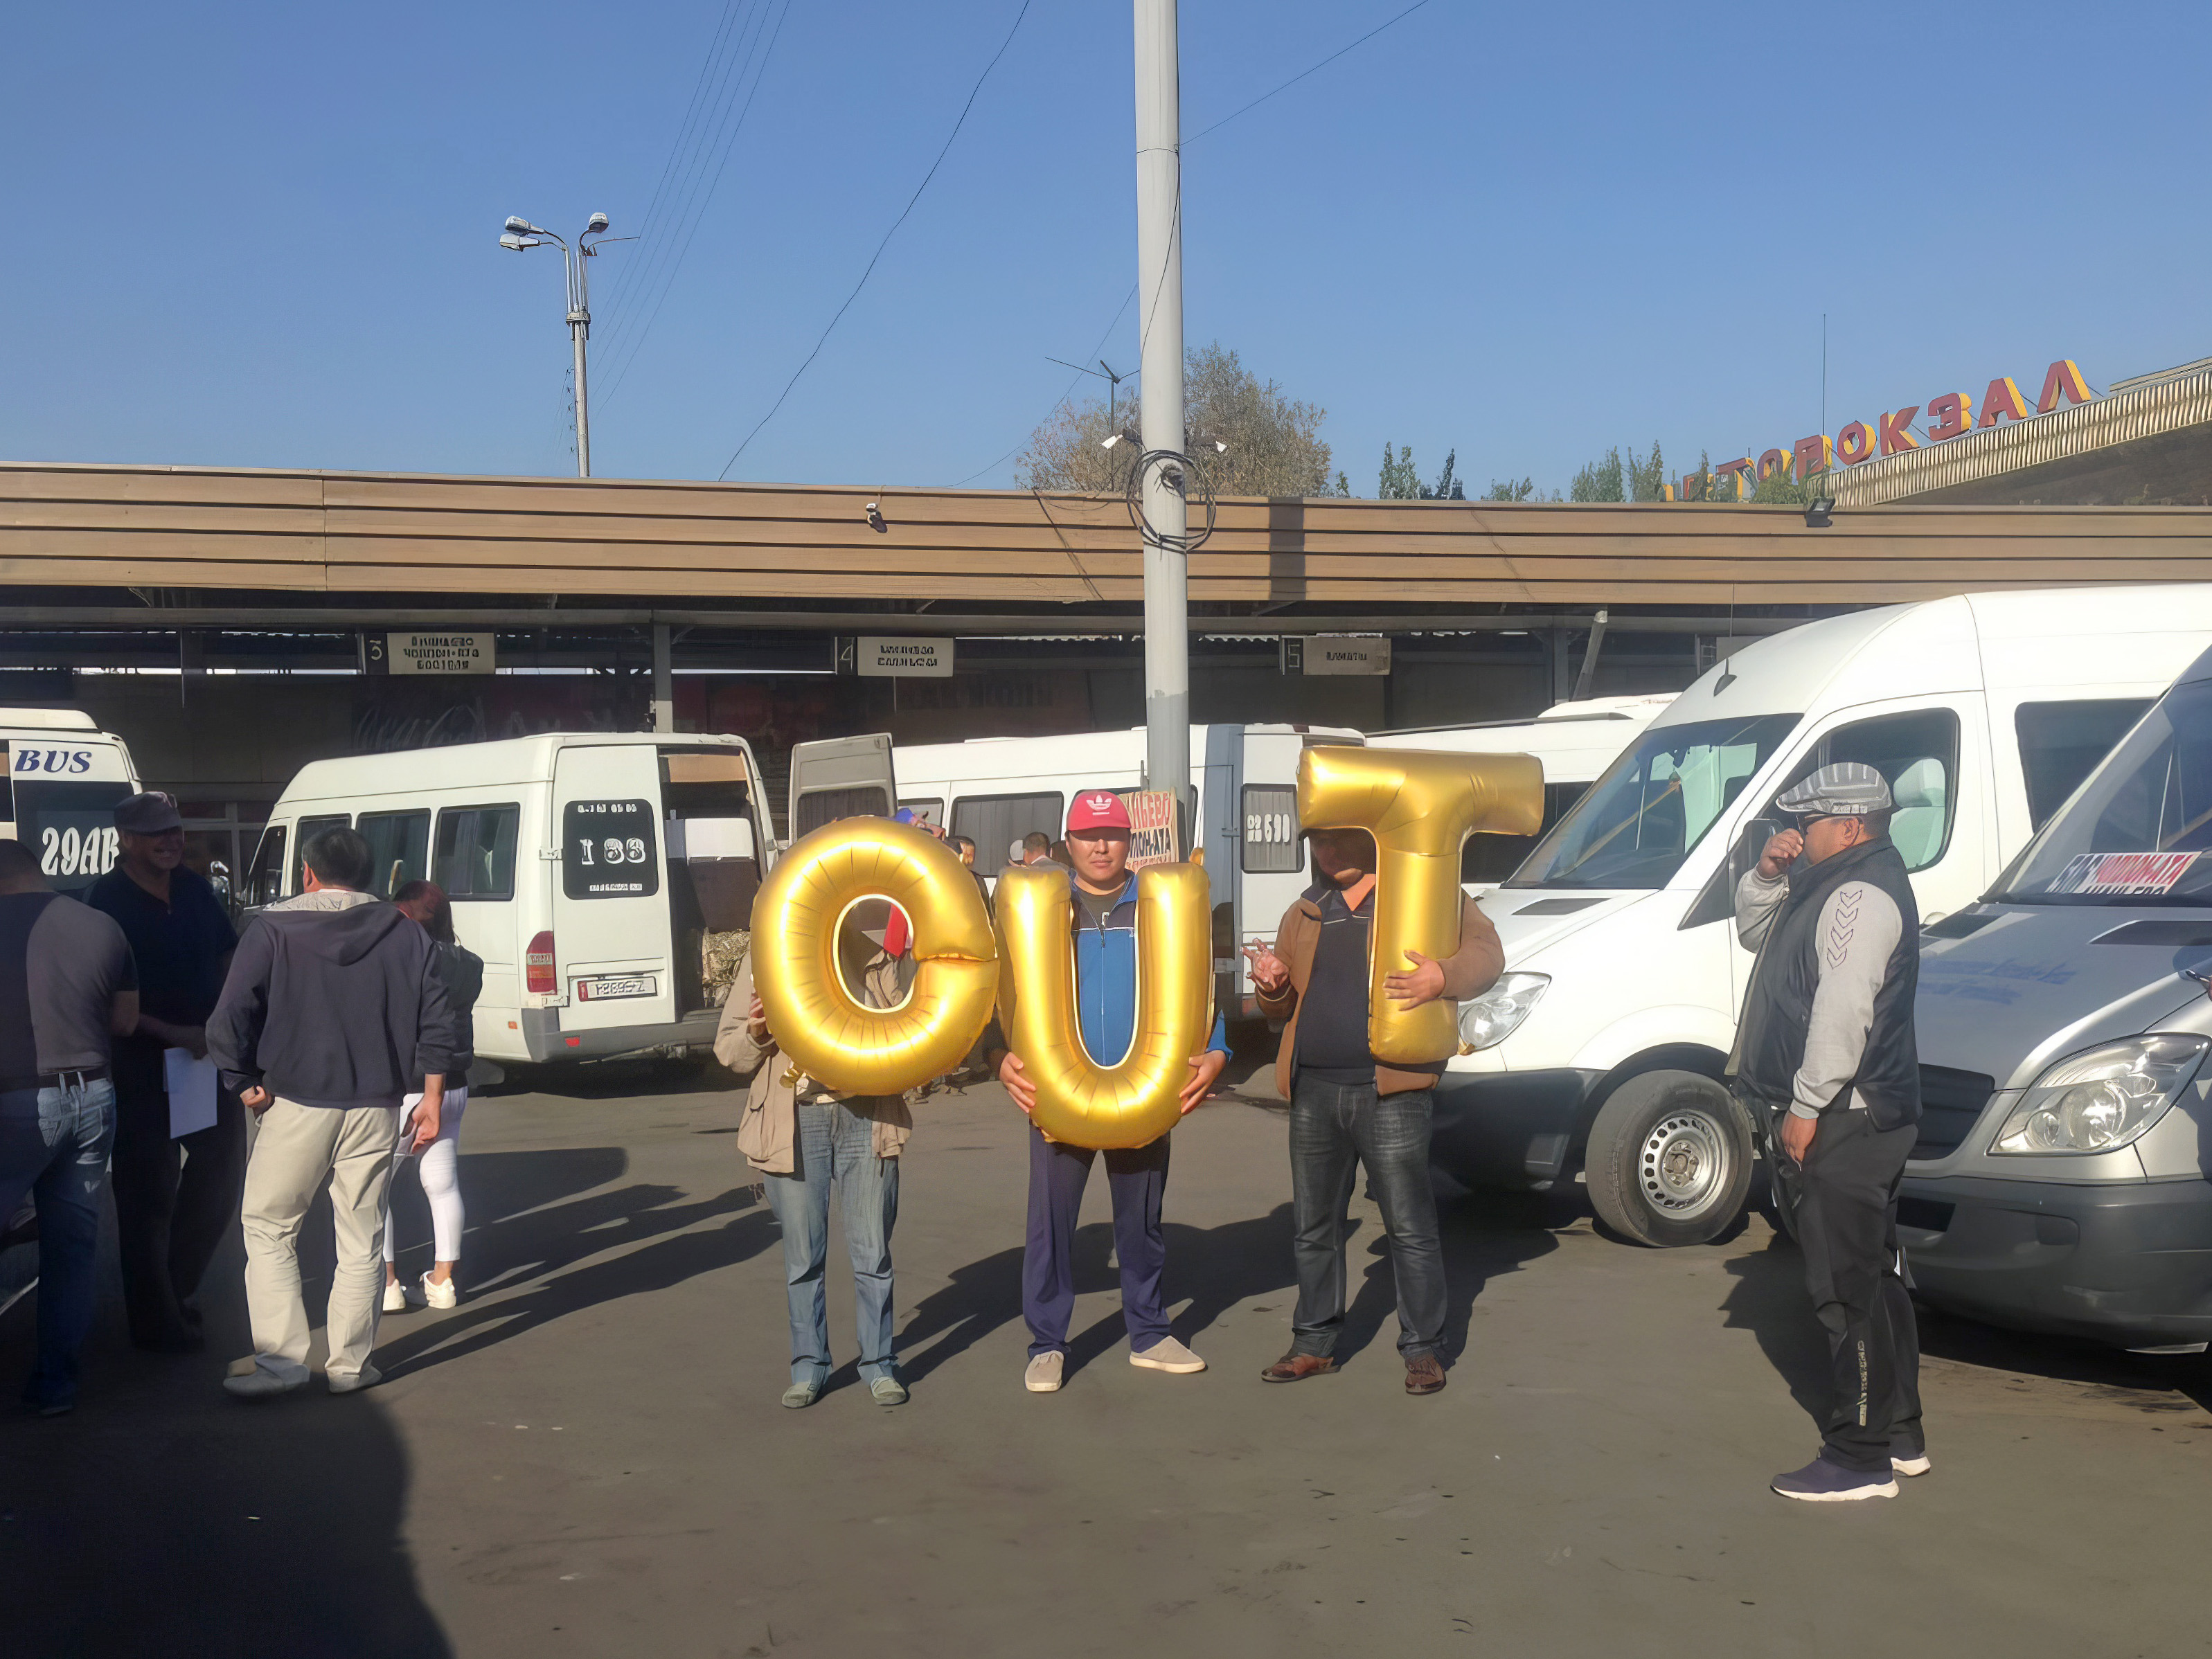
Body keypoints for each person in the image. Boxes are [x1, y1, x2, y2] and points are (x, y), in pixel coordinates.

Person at [1242, 827, 1504, 1396]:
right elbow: (1279, 1007)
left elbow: (1488, 955)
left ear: (1370, 834)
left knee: (1410, 1227)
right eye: (1318, 842)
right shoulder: (1306, 911)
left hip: (1392, 1092)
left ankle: (1423, 1350)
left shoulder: (1426, 897)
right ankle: (1313, 1345)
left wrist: (1442, 975)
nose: (1327, 852)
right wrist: (1271, 984)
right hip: (1314, 1090)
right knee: (1315, 1228)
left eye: (1339, 839)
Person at [990, 791, 1229, 1394]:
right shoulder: (1047, 907)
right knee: (1050, 1224)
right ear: (1068, 842)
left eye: (1114, 835)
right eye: (1090, 835)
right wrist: (996, 1058)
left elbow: (1202, 985)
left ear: (1131, 842)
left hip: (1141, 1088)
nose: (1102, 846)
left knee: (1141, 1224)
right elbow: (1002, 988)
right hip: (1059, 1089)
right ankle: (1047, 1343)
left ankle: (1149, 1332)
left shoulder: (1155, 906)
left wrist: (1219, 1048)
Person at [1731, 762, 1925, 1503]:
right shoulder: (1831, 881)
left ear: (1847, 825)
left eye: (1805, 825)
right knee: (1873, 1277)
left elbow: (1842, 1010)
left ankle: (1858, 1455)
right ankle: (1899, 1435)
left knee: (1844, 1288)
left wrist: (1805, 1107)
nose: (1794, 835)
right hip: (1857, 1110)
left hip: (1847, 1112)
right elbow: (1761, 939)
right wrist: (1763, 872)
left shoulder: (1854, 893)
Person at [208, 826, 456, 1399]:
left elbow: (229, 1017)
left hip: (295, 1101)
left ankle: (282, 1363)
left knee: (269, 1228)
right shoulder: (407, 934)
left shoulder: (272, 928)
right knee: (362, 1237)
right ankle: (351, 1366)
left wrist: (243, 1081)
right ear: (370, 877)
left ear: (307, 874)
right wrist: (434, 1098)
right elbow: (440, 1023)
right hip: (377, 1105)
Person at [716, 904, 913, 1409]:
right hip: (795, 1120)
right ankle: (809, 1367)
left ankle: (879, 1365)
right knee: (803, 1259)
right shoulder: (765, 959)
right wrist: (759, 1032)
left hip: (864, 1118)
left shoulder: (872, 955)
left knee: (873, 1255)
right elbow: (729, 1051)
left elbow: (912, 1040)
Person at [85, 789, 242, 1352]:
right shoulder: (104, 901)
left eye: (175, 831)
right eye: (157, 834)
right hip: (141, 1065)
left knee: (221, 1172)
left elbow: (229, 958)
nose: (172, 841)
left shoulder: (197, 890)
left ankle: (173, 1288)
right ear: (126, 840)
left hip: (203, 1058)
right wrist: (171, 1032)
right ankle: (155, 1324)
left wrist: (229, 1013)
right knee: (149, 1191)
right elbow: (101, 996)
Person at [0, 839, 136, 1415]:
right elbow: (125, 1022)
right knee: (72, 1247)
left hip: (13, 1106)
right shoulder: (102, 925)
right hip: (92, 1097)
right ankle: (55, 1384)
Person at [381, 881, 483, 1314]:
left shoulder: (401, 958)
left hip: (408, 1088)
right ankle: (442, 1283)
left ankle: (386, 1285)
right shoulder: (469, 964)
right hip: (454, 1086)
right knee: (442, 1185)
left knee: (374, 1187)